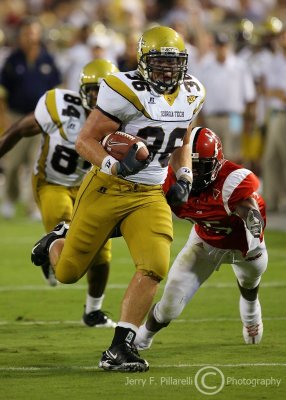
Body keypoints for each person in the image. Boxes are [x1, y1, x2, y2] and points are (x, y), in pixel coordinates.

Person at [31, 25, 206, 372]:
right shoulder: (122, 88)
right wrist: (114, 163)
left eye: (174, 63)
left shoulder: (193, 91)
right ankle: (57, 238)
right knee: (68, 273)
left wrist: (184, 175)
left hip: (149, 193)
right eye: (159, 62)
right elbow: (85, 141)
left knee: (155, 265)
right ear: (142, 62)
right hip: (106, 188)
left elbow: (183, 140)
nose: (168, 70)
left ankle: (120, 348)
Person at [0, 59, 119, 328]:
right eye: (93, 91)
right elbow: (19, 129)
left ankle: (93, 312)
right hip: (51, 182)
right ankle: (49, 248)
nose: (99, 98)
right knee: (65, 236)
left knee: (102, 252)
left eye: (105, 92)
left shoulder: (120, 117)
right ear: (81, 90)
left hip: (89, 187)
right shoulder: (60, 108)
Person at [134, 127, 267, 351]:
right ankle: (143, 336)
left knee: (249, 283)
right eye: (190, 165)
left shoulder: (230, 183)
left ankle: (251, 309)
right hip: (205, 243)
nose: (193, 173)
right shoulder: (170, 178)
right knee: (170, 304)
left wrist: (254, 228)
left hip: (244, 247)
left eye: (200, 166)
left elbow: (249, 210)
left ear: (216, 163)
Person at [0, 17, 62, 219]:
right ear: (21, 36)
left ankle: (33, 206)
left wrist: (53, 116)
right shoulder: (12, 59)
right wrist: (4, 119)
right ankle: (9, 199)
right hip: (16, 116)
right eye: (27, 33)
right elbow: (2, 93)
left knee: (37, 164)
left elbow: (56, 89)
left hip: (40, 118)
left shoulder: (48, 59)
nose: (31, 37)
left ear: (38, 35)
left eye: (33, 33)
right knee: (13, 163)